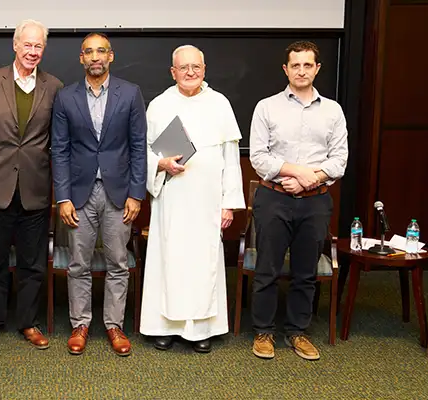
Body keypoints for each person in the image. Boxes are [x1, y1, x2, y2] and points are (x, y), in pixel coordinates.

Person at [139, 45, 244, 354]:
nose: (190, 72)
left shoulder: (220, 104)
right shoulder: (159, 105)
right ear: (173, 72)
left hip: (208, 201)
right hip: (171, 197)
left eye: (195, 67)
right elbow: (142, 152)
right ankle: (165, 327)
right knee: (169, 260)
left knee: (203, 262)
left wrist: (229, 202)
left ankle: (201, 329)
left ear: (204, 69)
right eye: (183, 67)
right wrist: (161, 164)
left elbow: (231, 157)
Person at [249, 40, 348, 361]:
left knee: (306, 273)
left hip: (316, 202)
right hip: (273, 199)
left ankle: (297, 332)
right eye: (296, 65)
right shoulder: (266, 107)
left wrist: (312, 179)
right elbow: (259, 158)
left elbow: (340, 160)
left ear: (317, 68)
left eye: (308, 65)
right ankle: (264, 331)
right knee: (268, 269)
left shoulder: (333, 110)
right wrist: (296, 173)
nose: (302, 71)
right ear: (286, 69)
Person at [51, 32, 147, 357]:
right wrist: (62, 197)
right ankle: (80, 324)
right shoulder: (65, 97)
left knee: (118, 262)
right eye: (89, 52)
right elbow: (59, 150)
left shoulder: (131, 93)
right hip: (79, 194)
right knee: (78, 262)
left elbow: (138, 147)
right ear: (81, 58)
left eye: (101, 51)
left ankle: (114, 325)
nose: (95, 57)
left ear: (111, 56)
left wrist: (136, 194)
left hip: (119, 193)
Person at [0, 19, 63, 349]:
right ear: (15, 44)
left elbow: (56, 137)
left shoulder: (54, 86)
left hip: (35, 188)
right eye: (27, 44)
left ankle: (28, 322)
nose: (32, 51)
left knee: (32, 262)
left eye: (38, 46)